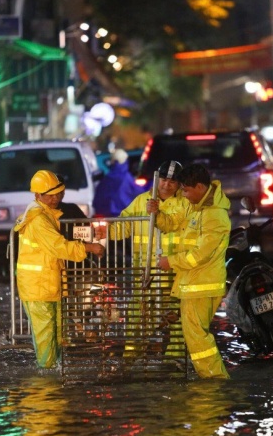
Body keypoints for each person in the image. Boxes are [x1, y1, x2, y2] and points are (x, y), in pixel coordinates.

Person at [146, 163, 231, 379]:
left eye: (186, 190)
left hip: (201, 286)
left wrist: (171, 261)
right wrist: (158, 215)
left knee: (197, 337)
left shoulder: (214, 216)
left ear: (200, 187)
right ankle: (212, 377)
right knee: (195, 335)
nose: (182, 194)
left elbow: (199, 255)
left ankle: (215, 379)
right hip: (193, 283)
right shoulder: (195, 206)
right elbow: (173, 224)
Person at [99, 160, 189, 358]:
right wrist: (102, 231)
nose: (166, 185)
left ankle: (175, 360)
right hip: (144, 272)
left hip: (173, 272)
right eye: (164, 180)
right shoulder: (141, 201)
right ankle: (131, 358)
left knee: (175, 317)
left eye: (172, 182)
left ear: (180, 184)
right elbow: (124, 226)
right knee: (136, 316)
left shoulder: (185, 203)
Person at [15, 170, 105, 368]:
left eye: (58, 193)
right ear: (37, 195)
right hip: (38, 289)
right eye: (50, 194)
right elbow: (59, 246)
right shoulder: (38, 219)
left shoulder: (47, 215)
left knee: (56, 335)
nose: (55, 198)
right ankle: (46, 385)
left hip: (48, 285)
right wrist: (89, 247)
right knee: (46, 337)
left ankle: (52, 376)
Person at [93, 149, 144, 217]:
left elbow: (97, 200)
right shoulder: (126, 177)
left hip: (107, 217)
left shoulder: (107, 179)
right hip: (124, 217)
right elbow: (137, 192)